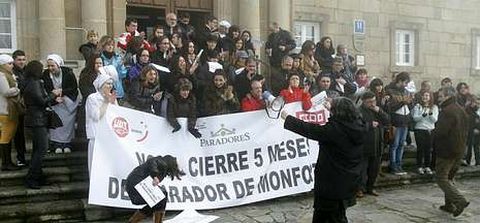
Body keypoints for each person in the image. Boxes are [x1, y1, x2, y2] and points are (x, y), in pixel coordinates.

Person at [282, 97, 367, 222]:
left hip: (332, 183)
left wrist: (288, 118)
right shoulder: (358, 125)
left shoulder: (335, 130)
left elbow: (310, 130)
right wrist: (333, 108)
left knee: (330, 217)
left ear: (337, 112)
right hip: (348, 180)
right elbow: (344, 119)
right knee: (337, 213)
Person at [23, 60, 60, 188]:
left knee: (37, 149)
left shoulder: (31, 82)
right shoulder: (34, 83)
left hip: (36, 119)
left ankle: (37, 176)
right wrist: (53, 94)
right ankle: (32, 178)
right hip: (37, 120)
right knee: (42, 149)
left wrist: (54, 100)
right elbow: (41, 101)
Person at [433, 86, 470, 217]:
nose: (439, 98)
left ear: (448, 96)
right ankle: (449, 205)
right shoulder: (460, 109)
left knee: (441, 178)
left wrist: (432, 133)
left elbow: (441, 131)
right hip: (459, 149)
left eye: (441, 95)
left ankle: (459, 201)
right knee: (449, 177)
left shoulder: (447, 111)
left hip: (447, 150)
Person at [126, 155, 185, 223]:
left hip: (134, 184)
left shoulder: (163, 169)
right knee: (161, 197)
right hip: (136, 184)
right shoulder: (162, 162)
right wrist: (155, 176)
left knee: (160, 200)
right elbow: (152, 161)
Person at [42, 54, 79, 154]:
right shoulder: (45, 74)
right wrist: (54, 97)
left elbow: (73, 88)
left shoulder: (68, 73)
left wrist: (62, 92)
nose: (50, 68)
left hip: (67, 101)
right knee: (56, 124)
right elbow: (46, 88)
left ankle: (67, 144)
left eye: (52, 66)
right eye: (49, 66)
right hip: (55, 101)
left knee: (67, 124)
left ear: (58, 65)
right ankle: (57, 144)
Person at [358, 91, 390, 197]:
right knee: (362, 169)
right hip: (364, 145)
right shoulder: (359, 111)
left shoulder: (377, 110)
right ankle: (360, 189)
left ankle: (370, 187)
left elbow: (387, 120)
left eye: (374, 101)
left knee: (374, 169)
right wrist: (369, 125)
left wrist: (380, 111)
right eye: (369, 102)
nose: (372, 103)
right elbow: (356, 125)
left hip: (377, 144)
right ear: (364, 101)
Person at [85, 73, 117, 173]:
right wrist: (106, 102)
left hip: (109, 136)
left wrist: (112, 102)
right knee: (96, 167)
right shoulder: (92, 98)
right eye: (108, 83)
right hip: (96, 136)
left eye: (111, 84)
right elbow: (97, 116)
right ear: (101, 84)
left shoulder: (112, 98)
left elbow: (116, 116)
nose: (110, 86)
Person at [385, 72, 413, 175]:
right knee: (395, 144)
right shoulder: (389, 91)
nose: (405, 85)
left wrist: (410, 103)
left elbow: (409, 106)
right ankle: (393, 165)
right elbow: (389, 108)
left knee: (401, 144)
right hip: (395, 121)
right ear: (399, 81)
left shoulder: (406, 92)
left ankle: (399, 164)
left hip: (405, 121)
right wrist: (402, 103)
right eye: (405, 82)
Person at [0, 54, 21, 171]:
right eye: (9, 63)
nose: (12, 66)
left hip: (6, 109)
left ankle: (7, 162)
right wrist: (17, 89)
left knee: (6, 137)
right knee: (5, 137)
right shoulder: (2, 75)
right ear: (3, 64)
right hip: (5, 110)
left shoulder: (8, 75)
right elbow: (6, 92)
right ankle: (6, 163)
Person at [412, 90, 438, 175]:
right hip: (420, 129)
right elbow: (415, 118)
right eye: (423, 95)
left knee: (428, 148)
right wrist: (422, 115)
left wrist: (430, 114)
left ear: (430, 97)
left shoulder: (434, 107)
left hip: (430, 130)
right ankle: (419, 166)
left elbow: (434, 120)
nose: (425, 97)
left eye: (427, 95)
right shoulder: (418, 106)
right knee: (420, 148)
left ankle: (427, 166)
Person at [78, 53, 103, 138]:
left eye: (100, 63)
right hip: (90, 102)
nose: (99, 65)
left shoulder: (104, 74)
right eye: (97, 63)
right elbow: (84, 89)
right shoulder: (85, 74)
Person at [12, 50, 28, 166]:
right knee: (18, 133)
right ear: (14, 60)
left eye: (23, 59)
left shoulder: (28, 71)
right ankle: (20, 156)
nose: (22, 62)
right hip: (17, 106)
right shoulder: (12, 72)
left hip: (29, 105)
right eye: (19, 60)